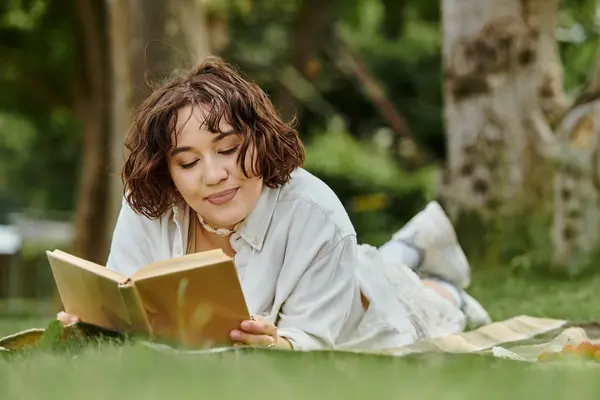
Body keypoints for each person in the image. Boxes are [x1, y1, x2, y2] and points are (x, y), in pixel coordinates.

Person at [57, 56, 490, 351]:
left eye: (228, 150)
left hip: (363, 315)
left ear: (260, 142)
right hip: (337, 264)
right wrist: (98, 323)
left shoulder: (317, 212)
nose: (213, 174)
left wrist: (281, 344)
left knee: (428, 301)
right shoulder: (149, 203)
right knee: (371, 260)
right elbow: (126, 295)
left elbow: (313, 343)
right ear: (166, 172)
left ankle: (444, 284)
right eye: (188, 162)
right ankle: (410, 245)